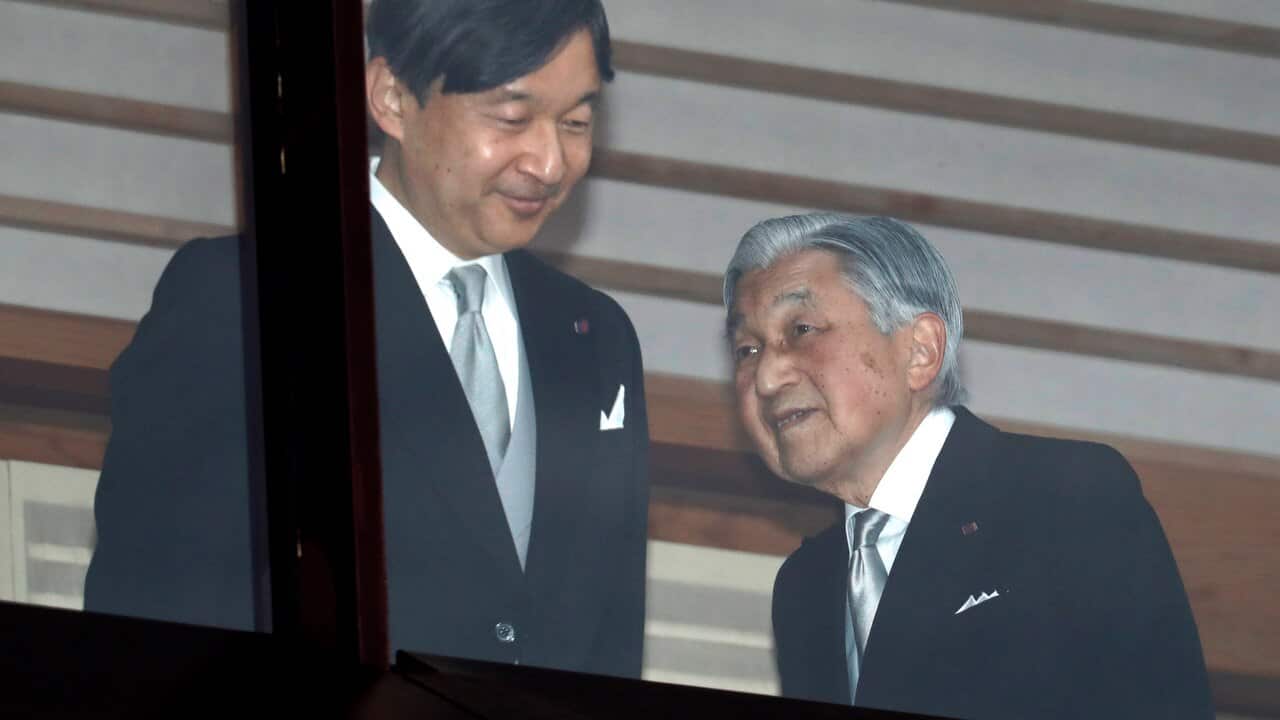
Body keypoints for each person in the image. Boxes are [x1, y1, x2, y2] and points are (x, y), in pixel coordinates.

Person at [85, 0, 649, 679]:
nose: (551, 161)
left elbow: (609, 644)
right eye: (512, 118)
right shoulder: (253, 297)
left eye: (577, 122)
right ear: (391, 98)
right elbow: (155, 605)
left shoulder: (596, 338)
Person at [722, 213, 1212, 718]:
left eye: (801, 329)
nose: (767, 376)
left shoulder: (1066, 498)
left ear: (920, 352)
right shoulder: (806, 587)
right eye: (747, 349)